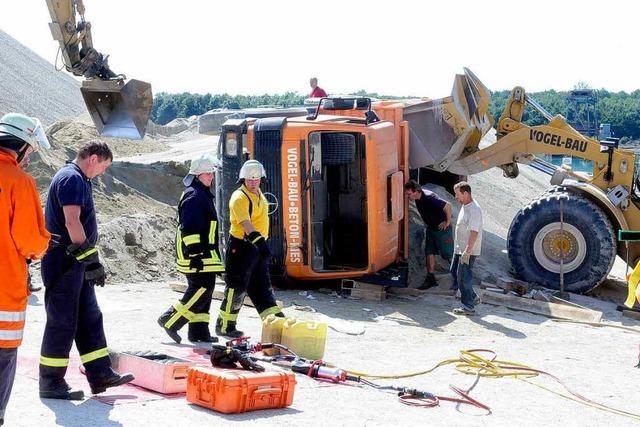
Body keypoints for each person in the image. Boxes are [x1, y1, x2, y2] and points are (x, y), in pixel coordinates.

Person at [39, 141, 134, 400]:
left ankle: (100, 373)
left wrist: (88, 259)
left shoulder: (78, 178)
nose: (103, 172)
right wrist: (91, 259)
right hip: (64, 261)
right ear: (93, 158)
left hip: (75, 261)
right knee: (62, 322)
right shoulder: (72, 179)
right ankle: (51, 382)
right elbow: (72, 221)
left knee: (89, 316)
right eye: (104, 166)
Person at [0, 113, 51, 426]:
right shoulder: (18, 181)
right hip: (3, 289)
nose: (30, 156)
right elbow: (30, 242)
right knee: (3, 355)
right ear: (18, 146)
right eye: (29, 150)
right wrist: (43, 244)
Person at [158, 154, 224, 344]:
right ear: (197, 175)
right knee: (201, 289)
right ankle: (170, 320)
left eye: (211, 173)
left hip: (205, 254)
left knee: (206, 290)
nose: (211, 176)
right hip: (196, 255)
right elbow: (190, 226)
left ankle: (199, 332)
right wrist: (195, 253)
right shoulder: (195, 196)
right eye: (207, 174)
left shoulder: (201, 194)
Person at [216, 159, 284, 338]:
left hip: (255, 247)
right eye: (249, 180)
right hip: (241, 248)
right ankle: (225, 325)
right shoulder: (239, 197)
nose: (253, 182)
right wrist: (260, 242)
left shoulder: (258, 193)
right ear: (243, 179)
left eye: (256, 179)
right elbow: (245, 222)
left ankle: (275, 323)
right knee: (236, 288)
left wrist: (261, 245)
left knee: (262, 287)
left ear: (261, 178)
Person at [404, 180, 453, 290]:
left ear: (416, 191)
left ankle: (458, 277)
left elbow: (447, 205)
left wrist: (448, 221)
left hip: (442, 230)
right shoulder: (417, 198)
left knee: (447, 254)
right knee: (429, 252)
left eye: (409, 194)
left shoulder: (429, 197)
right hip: (431, 228)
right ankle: (430, 278)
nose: (408, 196)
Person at [451, 181, 483, 315]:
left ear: (466, 193)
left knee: (463, 278)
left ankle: (468, 306)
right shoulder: (465, 205)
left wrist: (467, 252)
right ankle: (473, 297)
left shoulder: (474, 209)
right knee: (454, 272)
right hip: (459, 249)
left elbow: (474, 232)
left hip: (467, 251)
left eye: (457, 194)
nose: (456, 197)